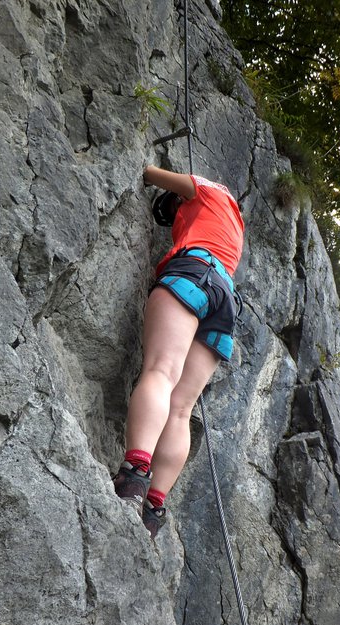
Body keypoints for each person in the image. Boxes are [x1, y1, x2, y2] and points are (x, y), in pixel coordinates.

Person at [113, 164, 245, 538]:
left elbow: (148, 172)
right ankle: (154, 507)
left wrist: (157, 178)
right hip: (225, 299)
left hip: (195, 271)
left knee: (160, 371)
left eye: (175, 210)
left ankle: (134, 474)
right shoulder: (235, 227)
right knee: (182, 408)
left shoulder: (210, 190)